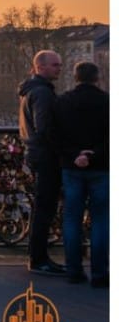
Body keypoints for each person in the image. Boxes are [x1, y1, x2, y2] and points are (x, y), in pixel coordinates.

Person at [53, 61, 108, 287]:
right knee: (101, 220)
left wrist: (76, 155)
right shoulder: (107, 101)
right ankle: (100, 273)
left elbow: (55, 136)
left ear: (75, 77)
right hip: (101, 167)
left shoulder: (62, 102)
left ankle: (74, 271)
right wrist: (92, 155)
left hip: (72, 166)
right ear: (97, 78)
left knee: (72, 219)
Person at [18, 49, 65, 276]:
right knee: (44, 208)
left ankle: (37, 257)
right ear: (40, 67)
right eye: (55, 65)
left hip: (35, 153)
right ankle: (39, 259)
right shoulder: (43, 93)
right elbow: (44, 127)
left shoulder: (31, 90)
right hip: (46, 156)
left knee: (41, 208)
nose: (59, 69)